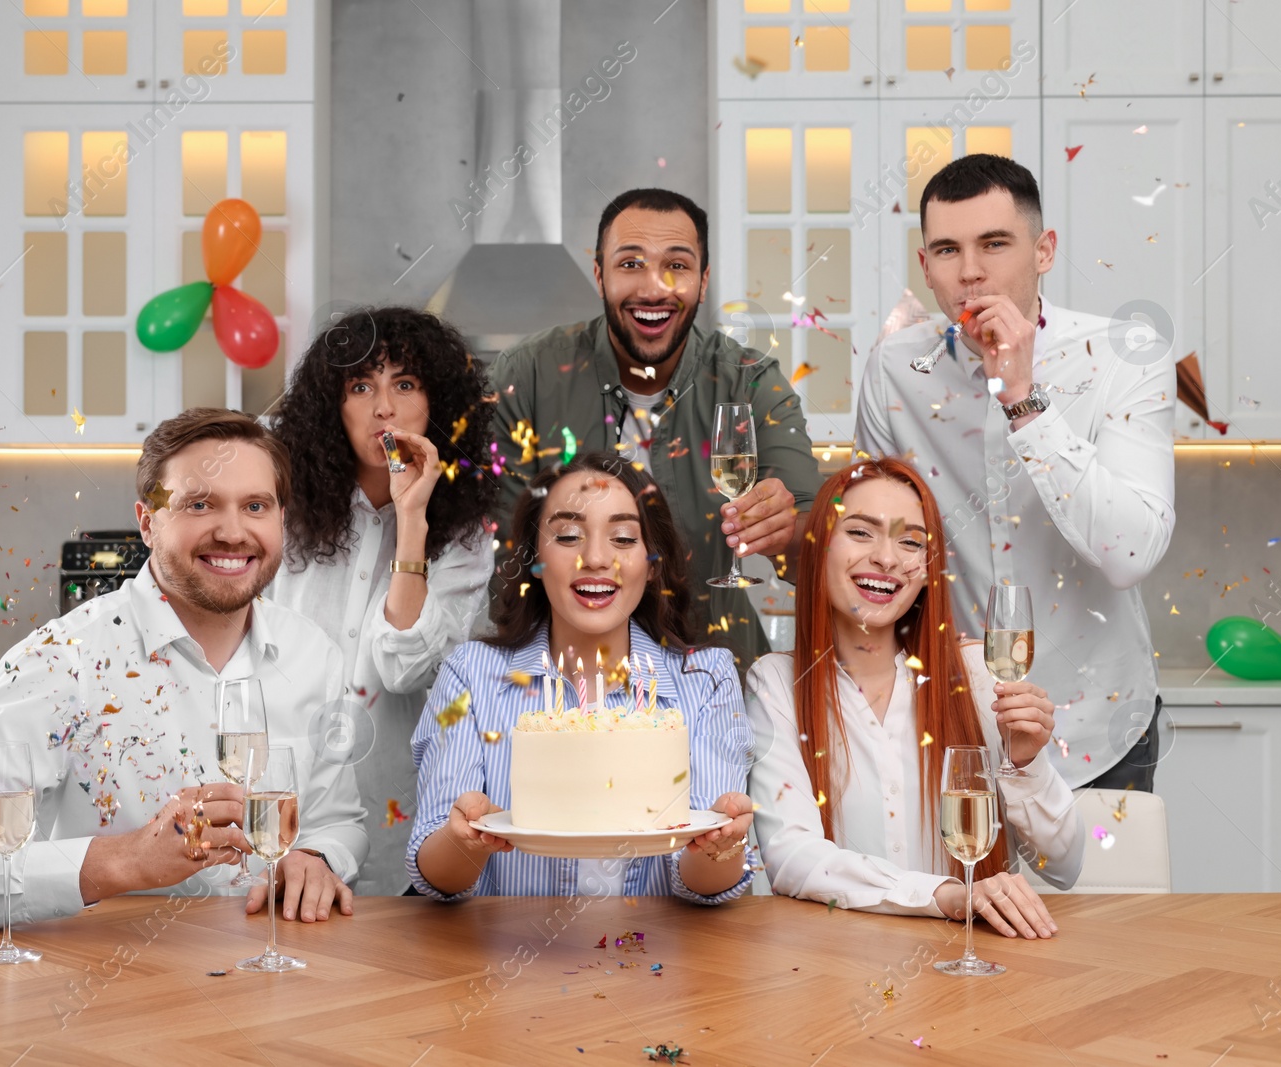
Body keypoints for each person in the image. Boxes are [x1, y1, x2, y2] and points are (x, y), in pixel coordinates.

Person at [0, 409, 366, 929]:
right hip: (111, 988)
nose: (233, 532)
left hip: (279, 986)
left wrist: (320, 858)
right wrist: (121, 861)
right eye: (199, 504)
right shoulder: (62, 660)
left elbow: (336, 821)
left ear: (281, 519)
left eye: (255, 506)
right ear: (147, 522)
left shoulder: (314, 656)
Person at [856, 153, 1175, 790]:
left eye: (995, 244)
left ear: (1044, 250)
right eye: (946, 250)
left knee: (1109, 895)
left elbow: (1131, 553)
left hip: (1099, 729)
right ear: (925, 267)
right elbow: (878, 546)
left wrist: (1023, 398)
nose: (970, 273)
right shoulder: (896, 370)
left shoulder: (1122, 358)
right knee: (966, 894)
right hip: (954, 730)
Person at [488, 188, 822, 669]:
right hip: (562, 679)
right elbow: (505, 558)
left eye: (678, 266)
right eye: (630, 264)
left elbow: (818, 543)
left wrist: (786, 530)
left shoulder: (749, 381)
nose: (653, 288)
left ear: (703, 282)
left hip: (718, 674)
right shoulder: (527, 377)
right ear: (599, 274)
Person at [747, 457, 1084, 932]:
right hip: (840, 975)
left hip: (976, 969)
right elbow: (792, 857)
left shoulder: (977, 674)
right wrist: (942, 896)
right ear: (818, 548)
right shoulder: (777, 684)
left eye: (910, 542)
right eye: (861, 533)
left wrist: (1026, 765)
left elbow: (1065, 866)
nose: (887, 558)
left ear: (927, 571)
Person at [407, 453, 755, 903]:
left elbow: (706, 886)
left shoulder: (706, 679)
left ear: (651, 565)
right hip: (504, 961)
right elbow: (436, 879)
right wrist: (465, 838)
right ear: (534, 561)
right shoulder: (469, 676)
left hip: (662, 963)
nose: (594, 558)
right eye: (568, 535)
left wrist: (720, 845)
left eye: (624, 538)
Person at [270, 306, 496, 895]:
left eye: (404, 384)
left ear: (437, 403)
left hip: (394, 810)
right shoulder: (276, 509)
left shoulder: (466, 537)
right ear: (331, 404)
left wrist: (413, 516)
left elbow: (402, 667)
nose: (383, 409)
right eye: (361, 386)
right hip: (274, 803)